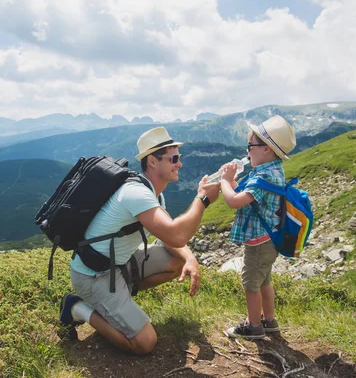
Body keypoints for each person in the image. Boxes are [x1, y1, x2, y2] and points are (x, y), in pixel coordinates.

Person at [59, 126, 221, 355]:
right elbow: (176, 235)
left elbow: (168, 238)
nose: (180, 164)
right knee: (145, 343)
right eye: (173, 158)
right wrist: (202, 199)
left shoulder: (154, 193)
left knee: (177, 261)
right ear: (153, 162)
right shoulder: (136, 194)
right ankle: (76, 308)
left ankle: (119, 301)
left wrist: (190, 258)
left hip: (117, 263)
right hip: (93, 275)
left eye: (179, 158)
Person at [219, 115, 296, 340]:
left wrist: (224, 180)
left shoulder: (263, 175)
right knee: (264, 280)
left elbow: (234, 201)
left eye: (250, 146)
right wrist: (232, 183)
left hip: (259, 241)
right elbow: (247, 196)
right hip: (269, 238)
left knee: (251, 282)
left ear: (267, 150)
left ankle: (253, 326)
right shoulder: (273, 172)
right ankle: (269, 320)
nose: (247, 151)